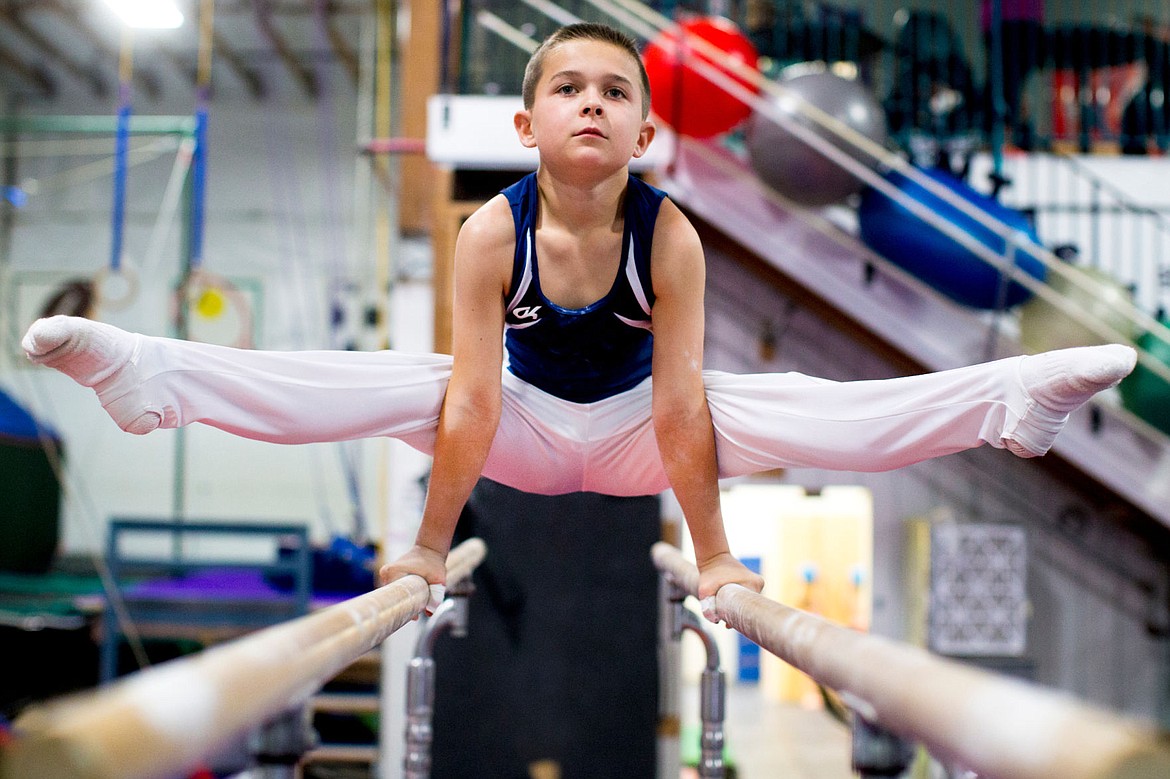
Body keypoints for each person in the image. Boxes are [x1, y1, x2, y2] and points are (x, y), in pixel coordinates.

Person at [22, 23, 1135, 618]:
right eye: (570, 88)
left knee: (791, 406)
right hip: (515, 430)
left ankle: (1005, 400)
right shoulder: (488, 237)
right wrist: (422, 543)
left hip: (643, 435)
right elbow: (467, 402)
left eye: (615, 90)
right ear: (526, 121)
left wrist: (718, 558)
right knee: (407, 378)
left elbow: (684, 406)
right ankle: (155, 376)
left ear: (647, 134)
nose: (592, 102)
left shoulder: (674, 239)